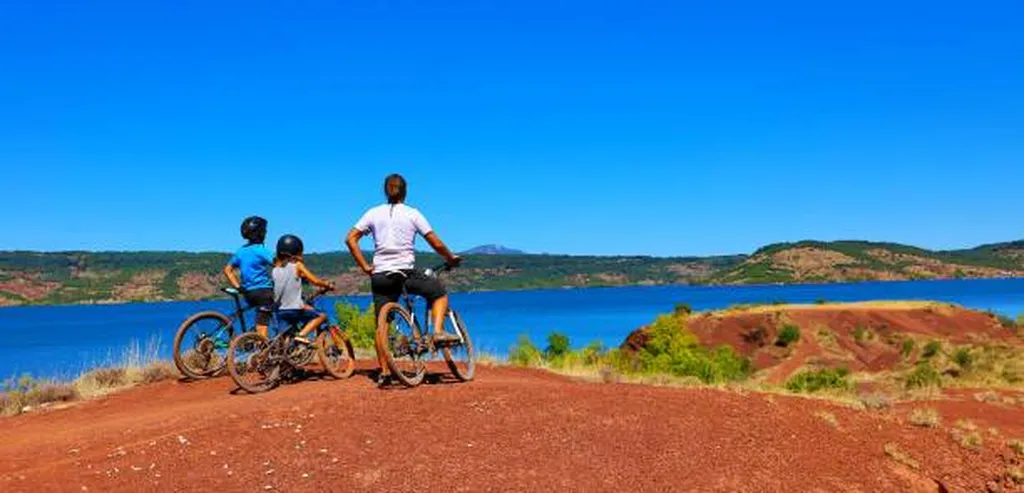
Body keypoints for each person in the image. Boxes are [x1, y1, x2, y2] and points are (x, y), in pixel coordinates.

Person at [345, 173, 461, 384]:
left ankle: (385, 372)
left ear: (385, 191)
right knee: (439, 293)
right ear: (405, 192)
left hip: (380, 275)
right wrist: (450, 257)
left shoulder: (372, 213)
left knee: (381, 325)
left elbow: (350, 238)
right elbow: (434, 242)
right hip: (404, 274)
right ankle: (436, 331)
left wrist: (364, 266)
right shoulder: (412, 213)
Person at [272, 234, 335, 345]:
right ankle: (301, 336)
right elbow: (315, 281)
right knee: (322, 315)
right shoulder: (298, 265)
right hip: (294, 309)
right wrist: (327, 285)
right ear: (296, 252)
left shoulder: (275, 269)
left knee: (286, 336)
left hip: (279, 310)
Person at [223, 216, 274, 339]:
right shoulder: (260, 250)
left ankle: (254, 337)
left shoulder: (241, 251)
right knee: (264, 321)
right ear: (260, 233)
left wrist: (238, 286)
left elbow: (227, 270)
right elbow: (279, 264)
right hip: (263, 291)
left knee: (261, 313)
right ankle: (263, 347)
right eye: (264, 231)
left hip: (248, 293)